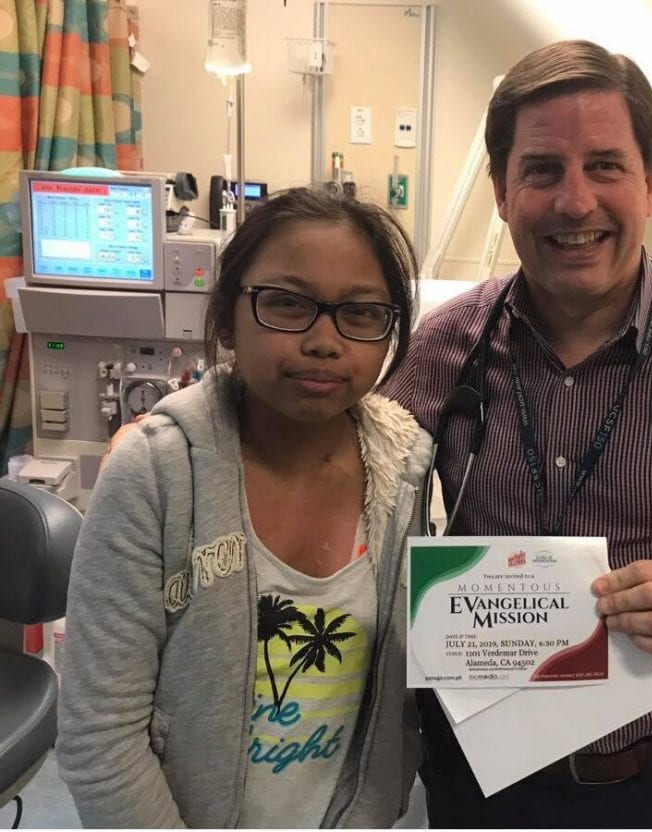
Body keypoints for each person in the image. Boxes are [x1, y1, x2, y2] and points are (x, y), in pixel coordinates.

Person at [379, 39, 652, 828]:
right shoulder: (439, 351)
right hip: (482, 783)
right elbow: (338, 483)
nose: (575, 201)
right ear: (501, 190)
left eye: (606, 166)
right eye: (543, 170)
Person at [56, 188, 432, 828]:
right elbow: (100, 739)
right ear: (228, 317)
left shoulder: (409, 472)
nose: (323, 340)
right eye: (286, 303)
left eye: (361, 313)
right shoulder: (158, 474)